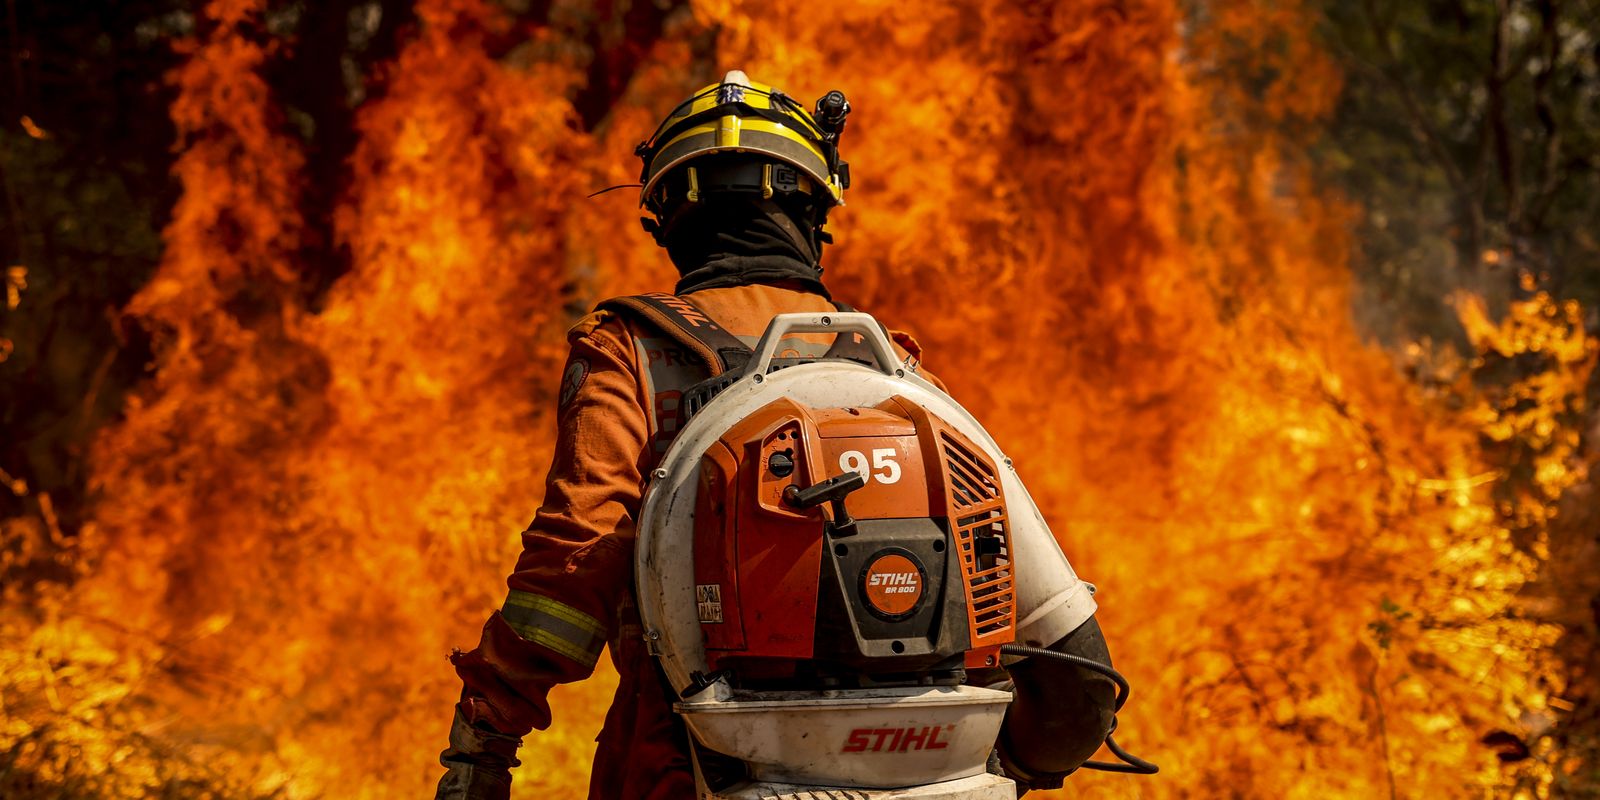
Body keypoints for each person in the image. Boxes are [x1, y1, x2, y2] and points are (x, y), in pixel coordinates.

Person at [436, 71, 1118, 800]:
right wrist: (989, 769)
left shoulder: (628, 350)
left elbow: (574, 566)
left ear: (669, 216)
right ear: (814, 209)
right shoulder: (900, 376)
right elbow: (1069, 671)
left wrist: (486, 737)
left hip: (679, 766)